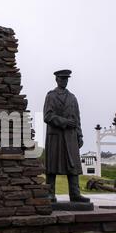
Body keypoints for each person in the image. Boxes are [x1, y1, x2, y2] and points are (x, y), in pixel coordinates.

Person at [43, 69, 90, 203]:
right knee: (52, 166)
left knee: (73, 165)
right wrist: (64, 122)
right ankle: (50, 193)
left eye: (66, 79)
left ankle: (75, 194)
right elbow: (47, 116)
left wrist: (79, 135)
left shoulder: (72, 98)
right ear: (57, 80)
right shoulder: (50, 96)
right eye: (62, 79)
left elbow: (77, 118)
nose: (64, 81)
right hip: (56, 136)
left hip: (70, 136)